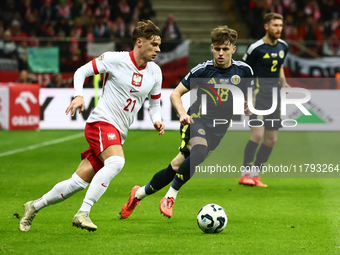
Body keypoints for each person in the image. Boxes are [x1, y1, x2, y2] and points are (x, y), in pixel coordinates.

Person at [19, 20, 164, 232]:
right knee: (116, 162)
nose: (158, 50)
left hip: (118, 132)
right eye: (154, 44)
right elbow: (81, 72)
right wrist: (79, 95)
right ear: (139, 42)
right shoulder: (115, 59)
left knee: (76, 183)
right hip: (101, 122)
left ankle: (34, 206)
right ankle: (83, 212)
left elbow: (155, 103)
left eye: (160, 45)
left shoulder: (155, 72)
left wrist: (156, 119)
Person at [120, 25, 254, 219]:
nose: (221, 53)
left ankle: (138, 193)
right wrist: (182, 113)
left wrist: (248, 105)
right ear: (212, 48)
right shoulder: (203, 70)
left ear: (233, 49)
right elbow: (176, 94)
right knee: (198, 153)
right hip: (196, 120)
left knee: (176, 166)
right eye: (217, 48)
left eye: (225, 49)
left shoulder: (244, 71)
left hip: (219, 129)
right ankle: (169, 197)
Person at [238, 13, 289, 187]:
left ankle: (256, 174)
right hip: (257, 97)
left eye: (280, 25)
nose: (278, 29)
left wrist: (284, 82)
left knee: (271, 139)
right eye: (275, 25)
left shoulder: (283, 46)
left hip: (275, 98)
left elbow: (279, 65)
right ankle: (245, 173)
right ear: (266, 26)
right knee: (258, 135)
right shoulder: (256, 48)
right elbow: (244, 71)